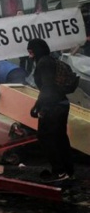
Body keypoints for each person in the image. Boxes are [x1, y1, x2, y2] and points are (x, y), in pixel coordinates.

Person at [27, 38, 74, 183]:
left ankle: (59, 172)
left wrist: (39, 108)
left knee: (46, 138)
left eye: (31, 52)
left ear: (36, 51)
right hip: (61, 103)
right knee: (59, 138)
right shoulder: (50, 60)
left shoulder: (44, 63)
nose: (30, 56)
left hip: (53, 107)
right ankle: (68, 171)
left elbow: (47, 88)